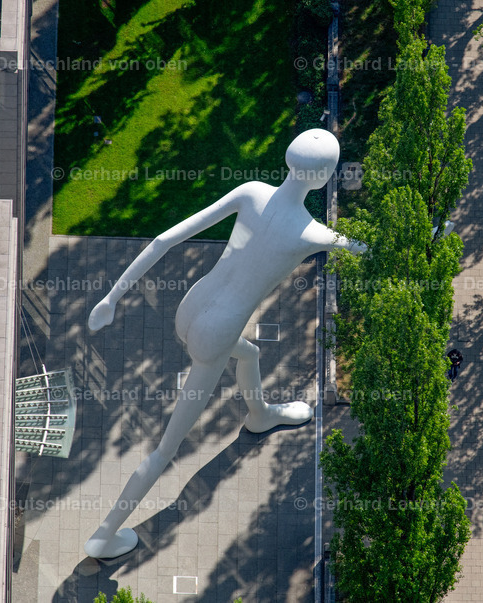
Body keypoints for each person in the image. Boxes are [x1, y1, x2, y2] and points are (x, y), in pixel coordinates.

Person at [83, 129, 366, 559]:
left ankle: (260, 415)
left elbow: (164, 239)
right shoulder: (313, 234)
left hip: (191, 306)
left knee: (249, 354)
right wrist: (431, 233)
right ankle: (105, 536)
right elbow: (370, 250)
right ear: (324, 175)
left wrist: (113, 298)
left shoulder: (252, 191)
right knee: (165, 449)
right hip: (216, 335)